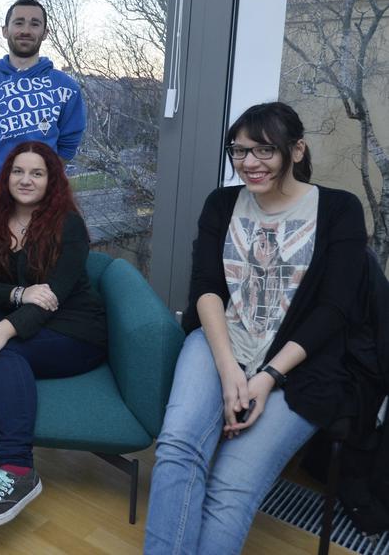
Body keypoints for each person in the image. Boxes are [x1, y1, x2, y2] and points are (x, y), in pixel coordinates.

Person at [144, 102, 368, 554]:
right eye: (240, 150)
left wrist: (266, 378)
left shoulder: (339, 209)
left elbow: (334, 310)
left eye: (264, 150)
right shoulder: (221, 203)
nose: (249, 163)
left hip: (301, 365)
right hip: (220, 342)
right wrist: (229, 371)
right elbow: (206, 288)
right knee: (177, 448)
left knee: (232, 485)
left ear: (296, 150)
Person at [0, 141, 107, 528]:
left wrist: (3, 330)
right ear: (7, 176)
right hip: (21, 315)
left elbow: (53, 297)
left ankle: (18, 470)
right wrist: (19, 294)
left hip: (75, 331)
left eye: (37, 173)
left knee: (2, 352)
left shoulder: (68, 225)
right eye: (18, 171)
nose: (26, 180)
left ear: (52, 180)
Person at [0, 0, 87, 203]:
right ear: (5, 30)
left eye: (34, 24)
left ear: (45, 33)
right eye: (19, 22)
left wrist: (39, 184)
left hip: (44, 205)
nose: (26, 30)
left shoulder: (67, 88)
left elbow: (67, 147)